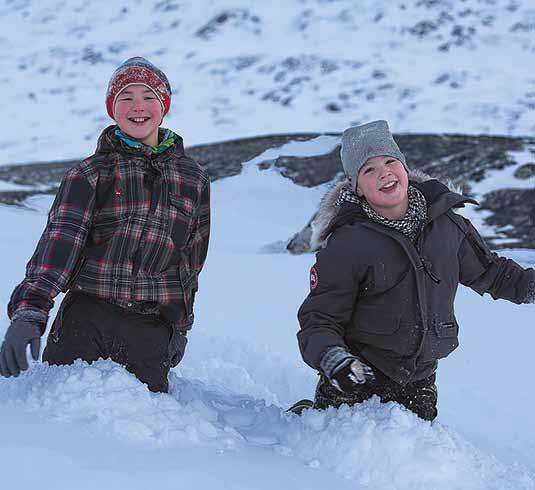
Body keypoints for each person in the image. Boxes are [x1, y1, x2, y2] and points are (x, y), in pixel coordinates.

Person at [294, 120, 534, 420]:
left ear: (404, 168)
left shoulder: (448, 226)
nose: (383, 172)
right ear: (357, 188)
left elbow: (494, 273)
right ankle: (305, 421)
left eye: (390, 161)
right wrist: (334, 359)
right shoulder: (348, 244)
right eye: (368, 169)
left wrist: (529, 286)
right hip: (355, 376)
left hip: (419, 379)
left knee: (411, 459)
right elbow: (320, 319)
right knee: (341, 455)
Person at [0, 57, 210, 393]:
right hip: (86, 319)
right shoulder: (90, 173)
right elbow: (58, 247)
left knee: (142, 430)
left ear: (164, 106)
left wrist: (181, 325)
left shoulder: (193, 178)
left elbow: (190, 261)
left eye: (148, 97)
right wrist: (30, 313)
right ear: (112, 109)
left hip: (150, 328)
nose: (137, 106)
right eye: (126, 97)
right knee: (63, 416)